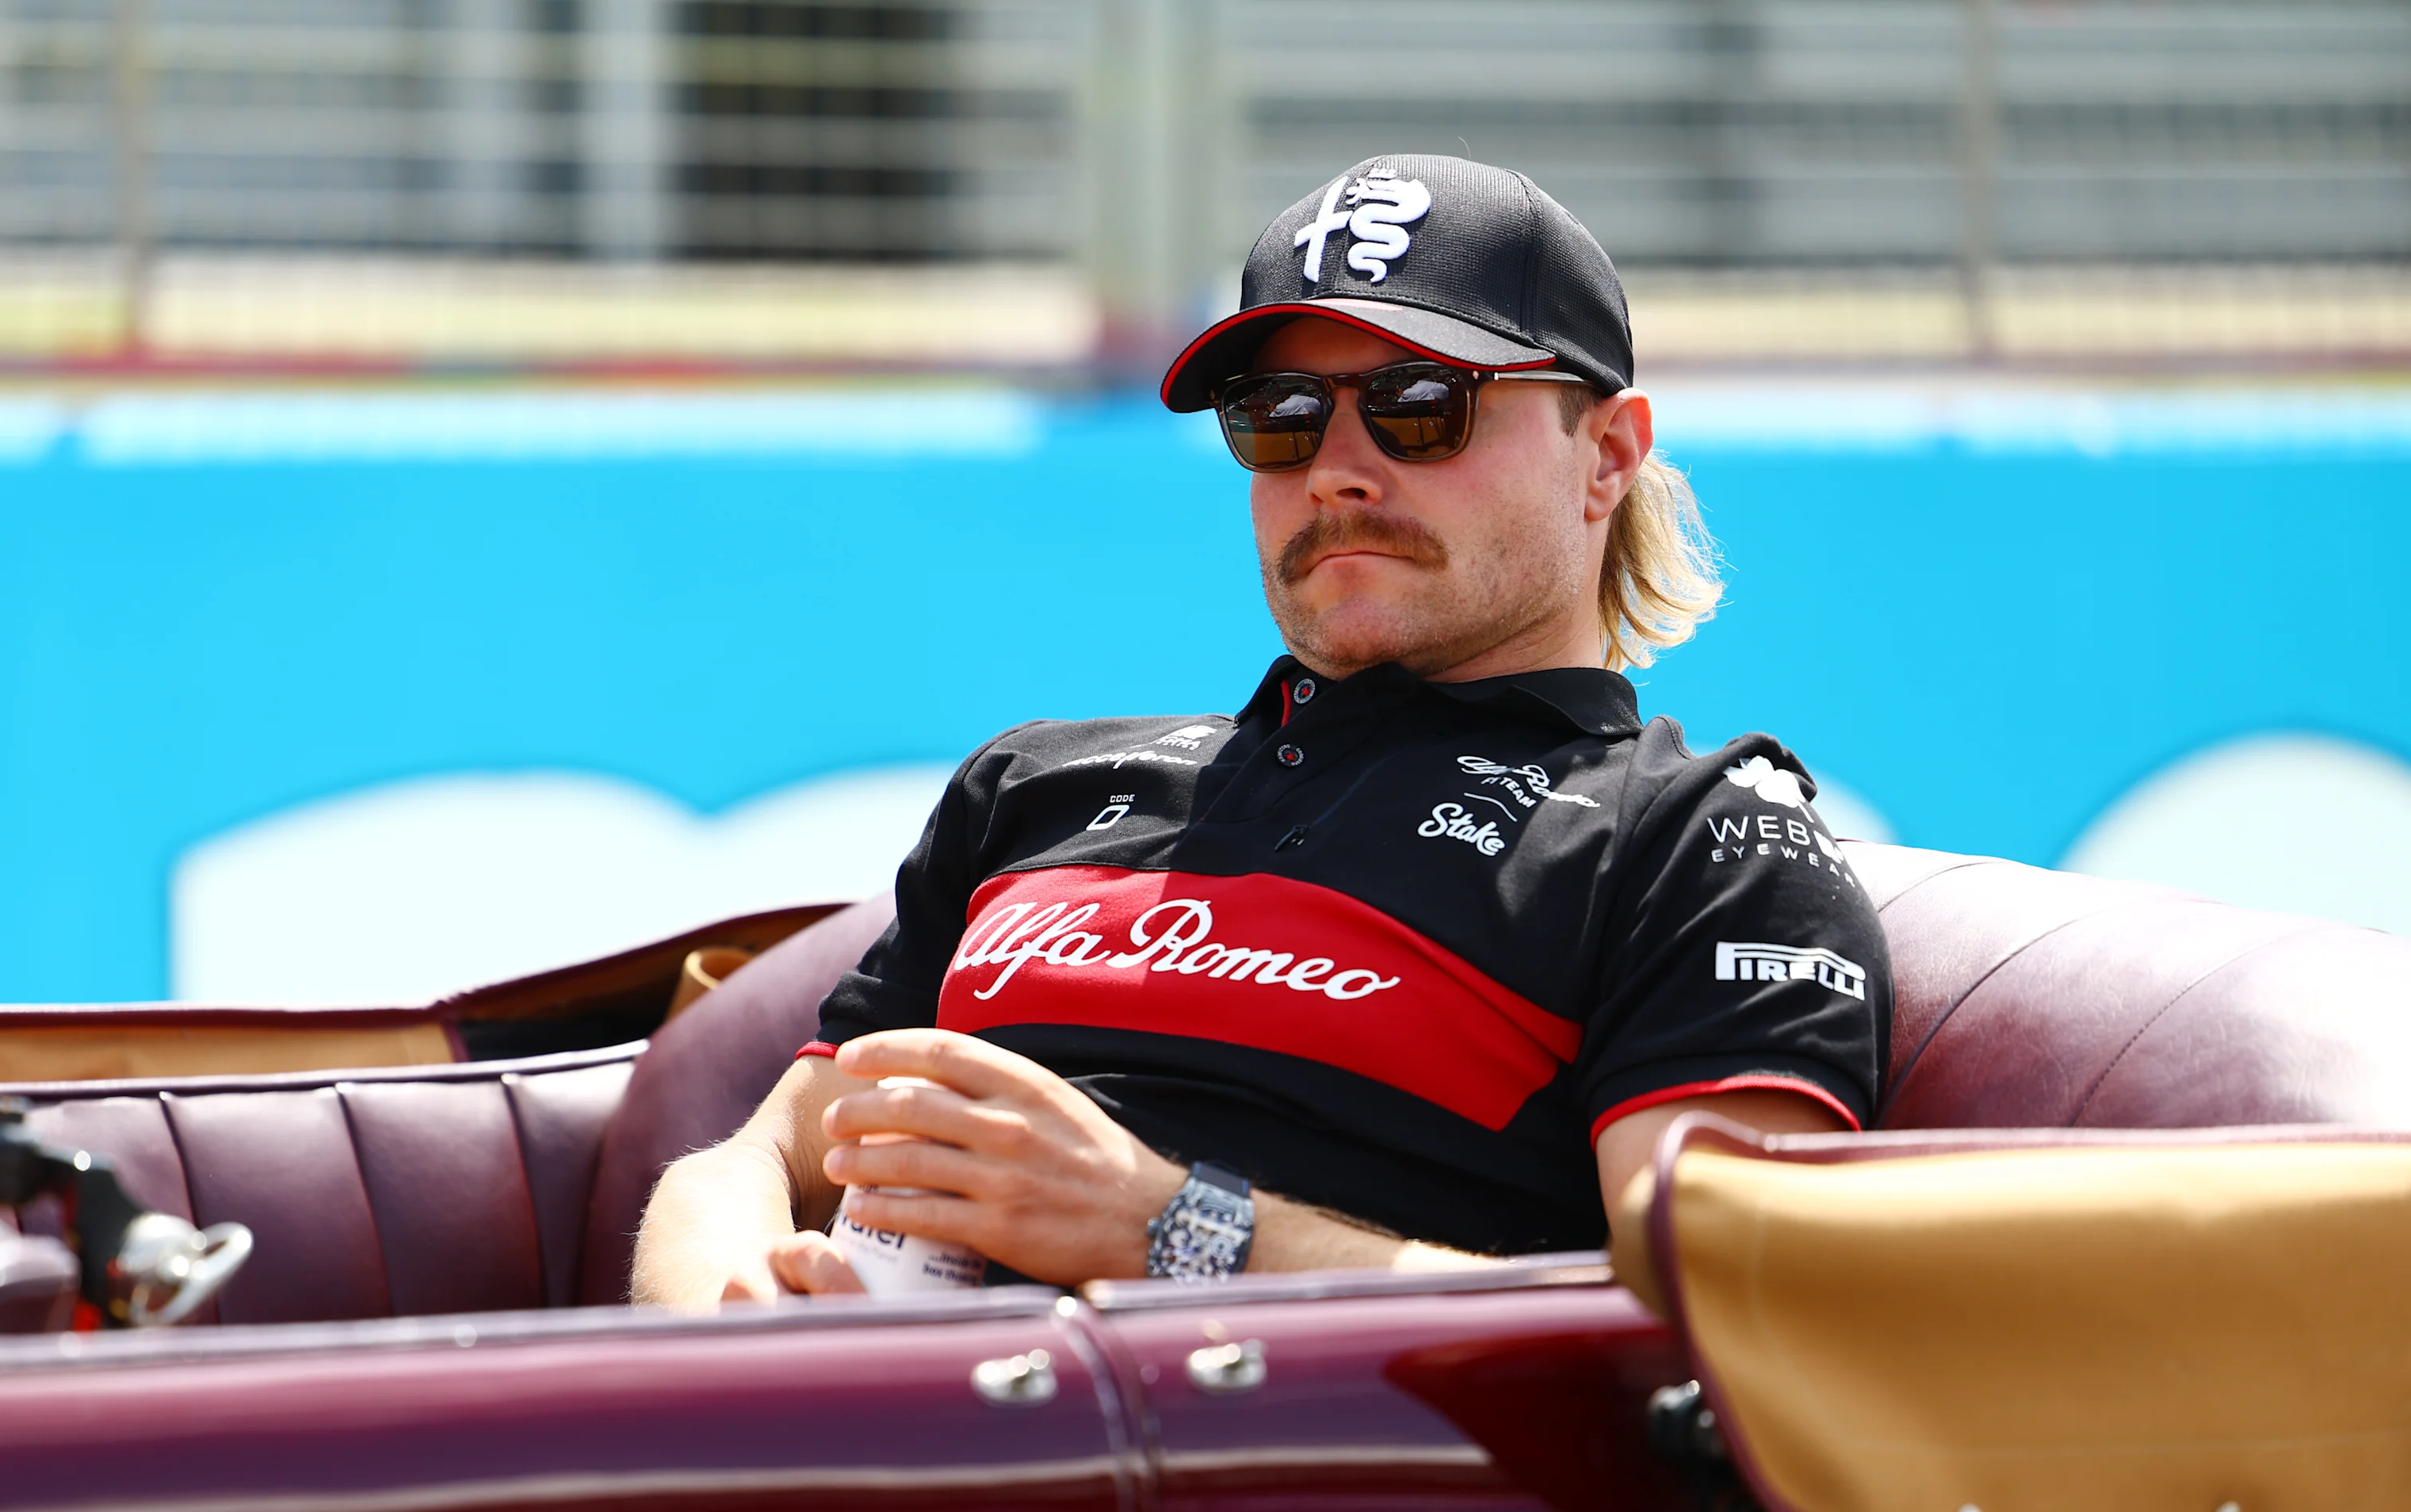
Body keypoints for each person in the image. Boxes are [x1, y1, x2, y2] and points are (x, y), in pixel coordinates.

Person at [632, 155, 1889, 1308]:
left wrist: (1169, 1229)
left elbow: (1735, 1325)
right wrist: (732, 1352)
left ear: (1606, 455)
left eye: (1420, 404)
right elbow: (748, 1162)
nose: (1337, 470)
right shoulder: (1040, 782)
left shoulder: (1695, 837)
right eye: (1280, 416)